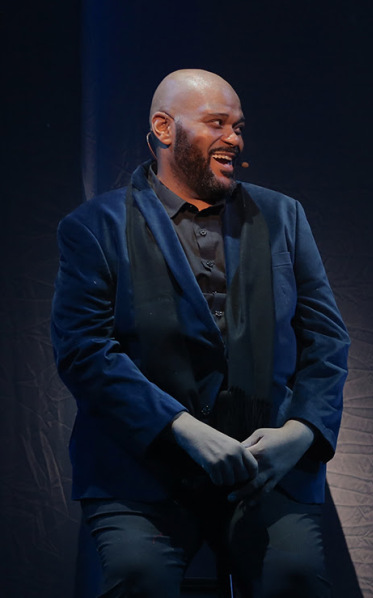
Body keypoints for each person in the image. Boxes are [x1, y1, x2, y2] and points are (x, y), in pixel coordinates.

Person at [51, 69, 350, 597]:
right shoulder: (93, 227)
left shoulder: (284, 217)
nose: (234, 138)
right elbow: (84, 351)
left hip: (266, 466)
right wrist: (181, 429)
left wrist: (300, 433)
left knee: (297, 579)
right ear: (164, 129)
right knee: (138, 579)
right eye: (217, 123)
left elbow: (326, 339)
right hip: (144, 471)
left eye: (238, 126)